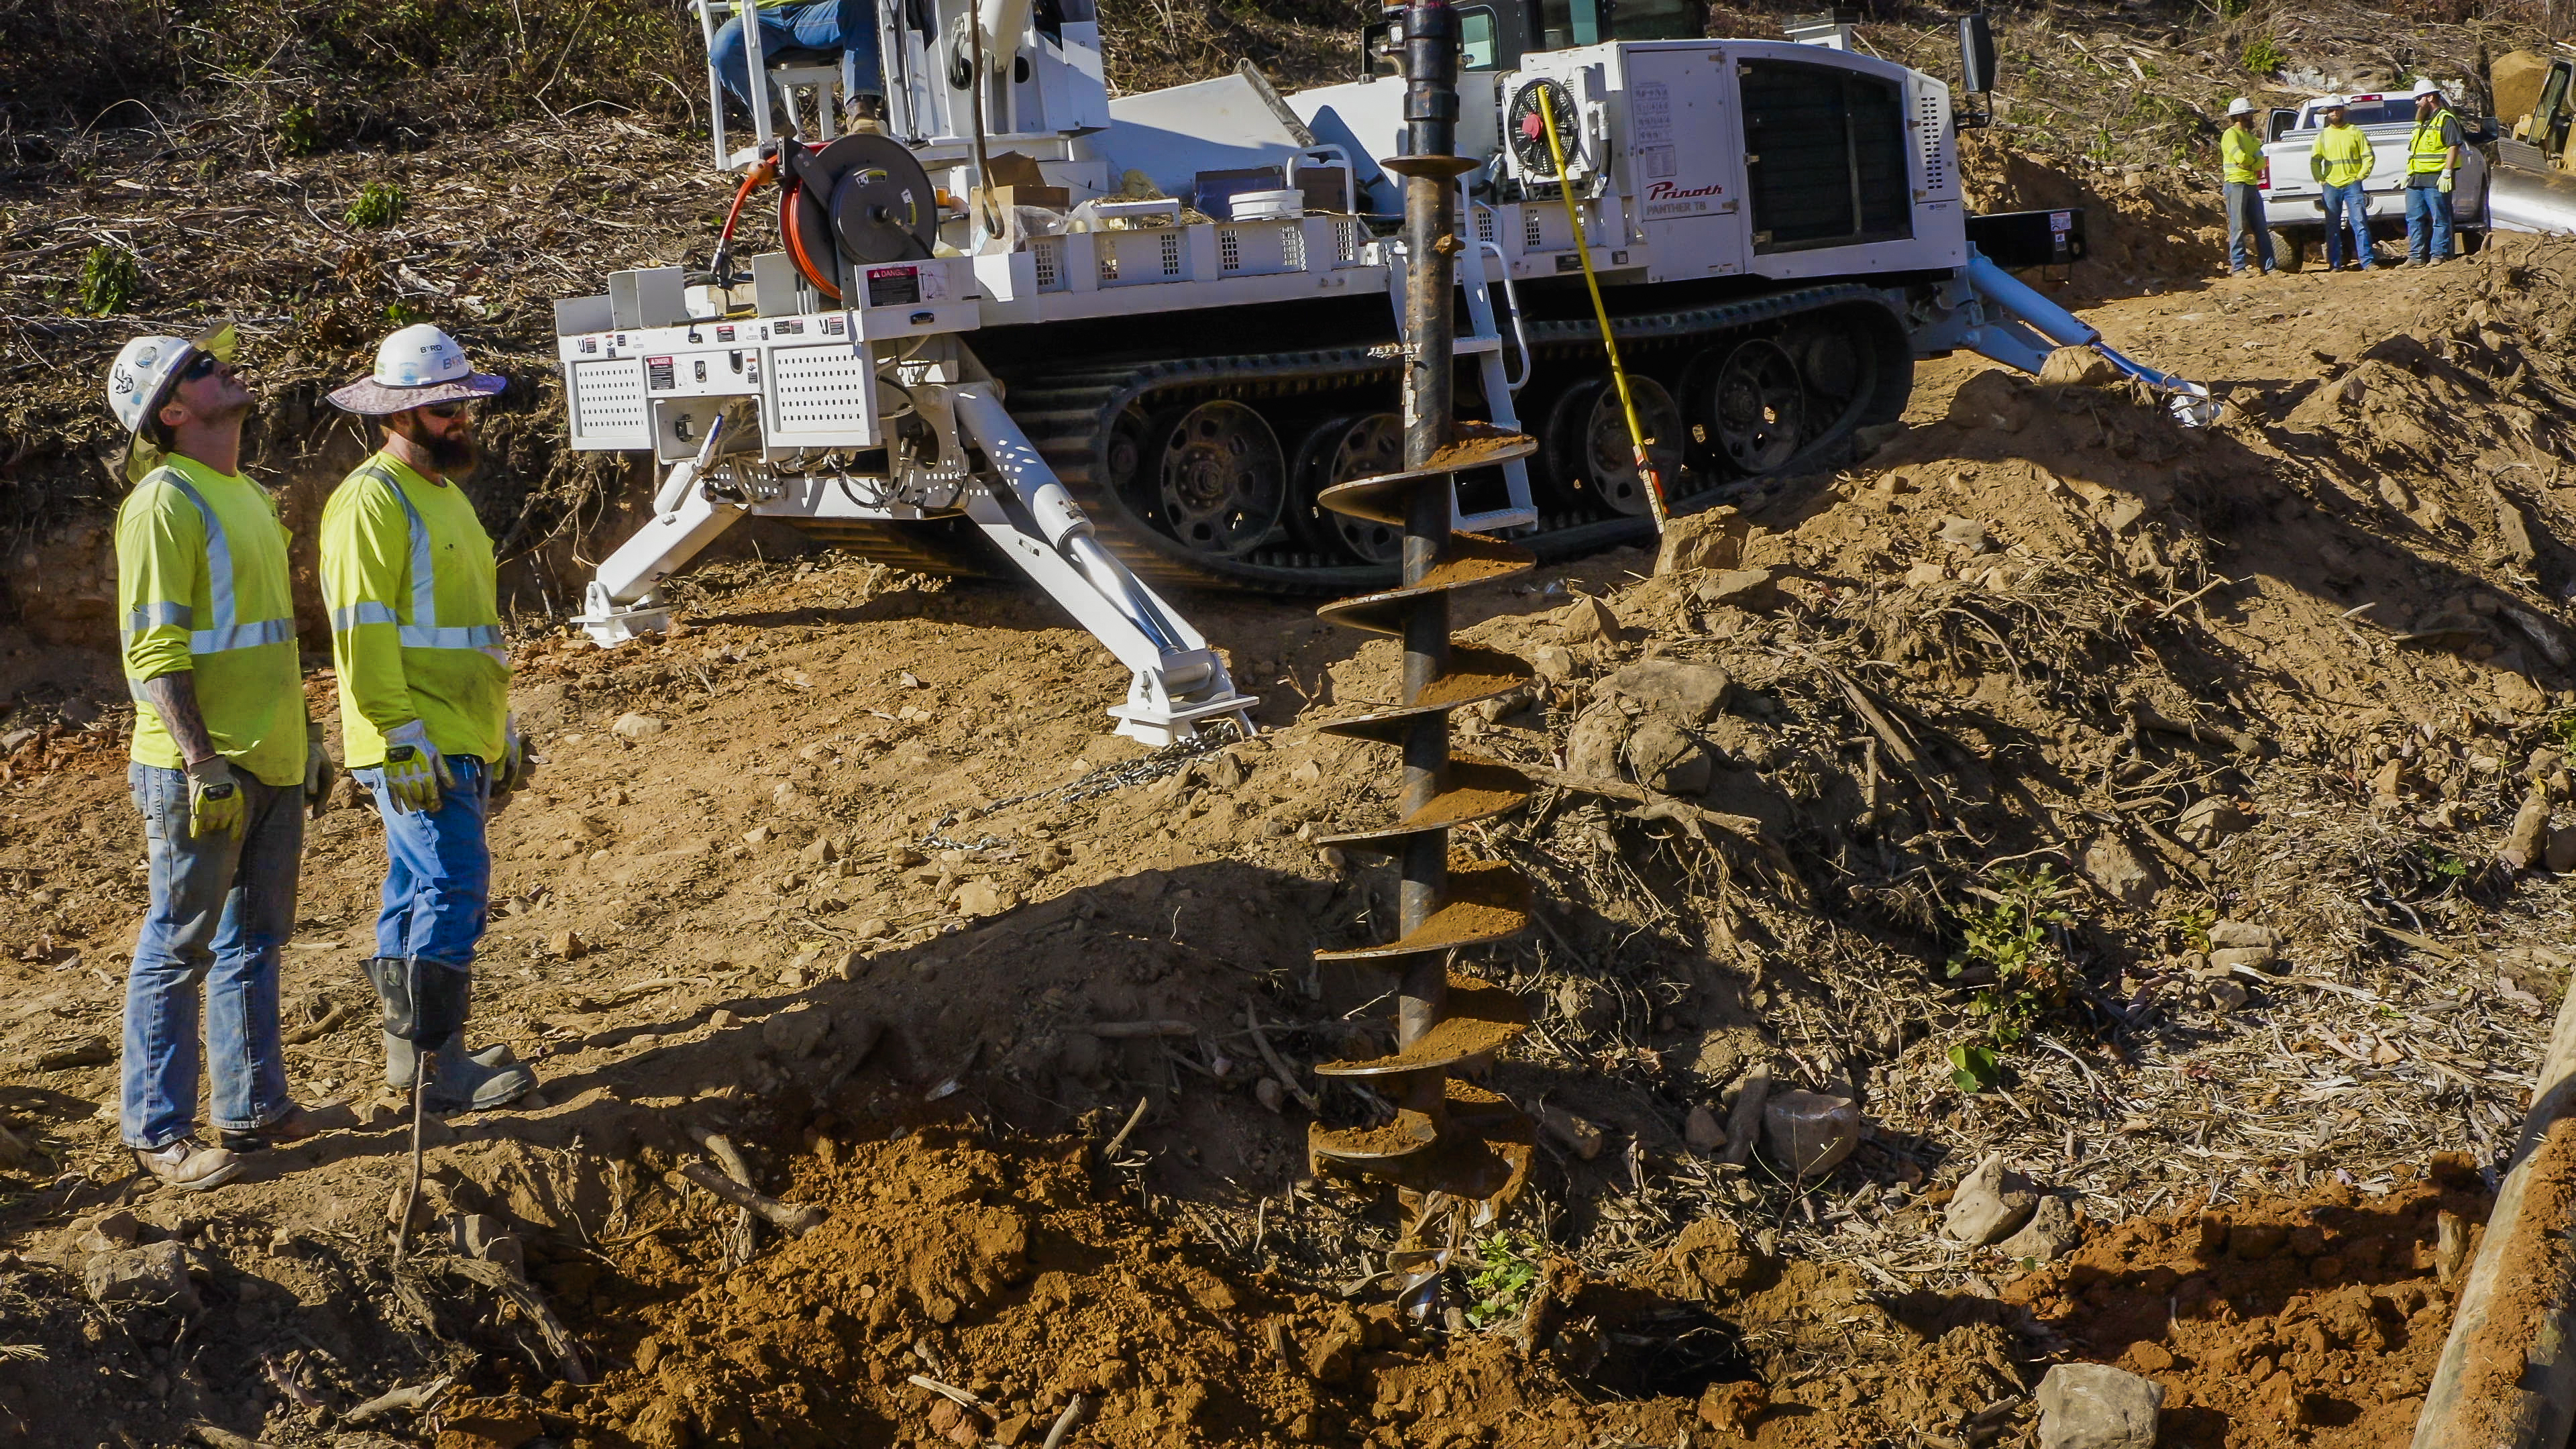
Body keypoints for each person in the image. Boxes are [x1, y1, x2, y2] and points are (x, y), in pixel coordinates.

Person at [105, 324, 336, 1191]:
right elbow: (152, 651)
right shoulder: (166, 501)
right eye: (203, 367)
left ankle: (253, 1106)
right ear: (171, 409)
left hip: (268, 760)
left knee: (256, 942)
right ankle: (157, 1132)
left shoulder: (245, 494)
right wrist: (202, 761)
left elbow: (274, 643)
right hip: (200, 769)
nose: (225, 366)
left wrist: (305, 738)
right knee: (179, 945)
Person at [319, 325, 537, 1115]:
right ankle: (441, 1069)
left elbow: (471, 627)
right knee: (452, 886)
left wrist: (500, 729)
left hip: (457, 730)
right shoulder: (370, 501)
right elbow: (362, 631)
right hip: (415, 738)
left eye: (462, 405)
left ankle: (411, 1058)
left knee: (416, 889)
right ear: (399, 413)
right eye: (444, 409)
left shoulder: (441, 495)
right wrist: (401, 737)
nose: (460, 420)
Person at [708, 0, 885, 122]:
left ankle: (861, 110)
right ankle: (774, 118)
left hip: (813, 14)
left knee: (858, 5)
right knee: (724, 50)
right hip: (753, 19)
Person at [2311, 96, 2378, 272]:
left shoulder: (2355, 132)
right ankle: (2335, 264)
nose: (2334, 112)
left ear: (2343, 111)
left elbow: (2368, 156)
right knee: (2332, 226)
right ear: (2327, 113)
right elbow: (2315, 160)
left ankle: (2368, 262)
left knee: (2360, 223)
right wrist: (2321, 179)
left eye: (2337, 109)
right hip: (2331, 186)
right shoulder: (2323, 136)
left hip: (2352, 184)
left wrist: (2360, 176)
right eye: (2331, 110)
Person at [2402, 78, 2463, 266]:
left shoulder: (2446, 119)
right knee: (2414, 218)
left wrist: (2447, 173)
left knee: (2440, 218)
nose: (2416, 103)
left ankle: (2438, 254)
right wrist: (2408, 173)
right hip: (2416, 178)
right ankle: (2416, 257)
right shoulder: (2421, 121)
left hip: (2436, 178)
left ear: (2429, 97)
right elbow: (2415, 151)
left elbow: (2453, 147)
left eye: (2419, 98)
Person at [2221, 97, 2276, 276]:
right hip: (2236, 184)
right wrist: (2251, 162)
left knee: (2261, 227)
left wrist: (2250, 164)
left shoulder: (2251, 138)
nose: (2252, 117)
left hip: (2251, 184)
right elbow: (2240, 158)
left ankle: (2269, 266)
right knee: (2237, 227)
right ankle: (2238, 268)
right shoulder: (2231, 134)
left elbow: (2261, 163)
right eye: (2249, 114)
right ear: (2240, 116)